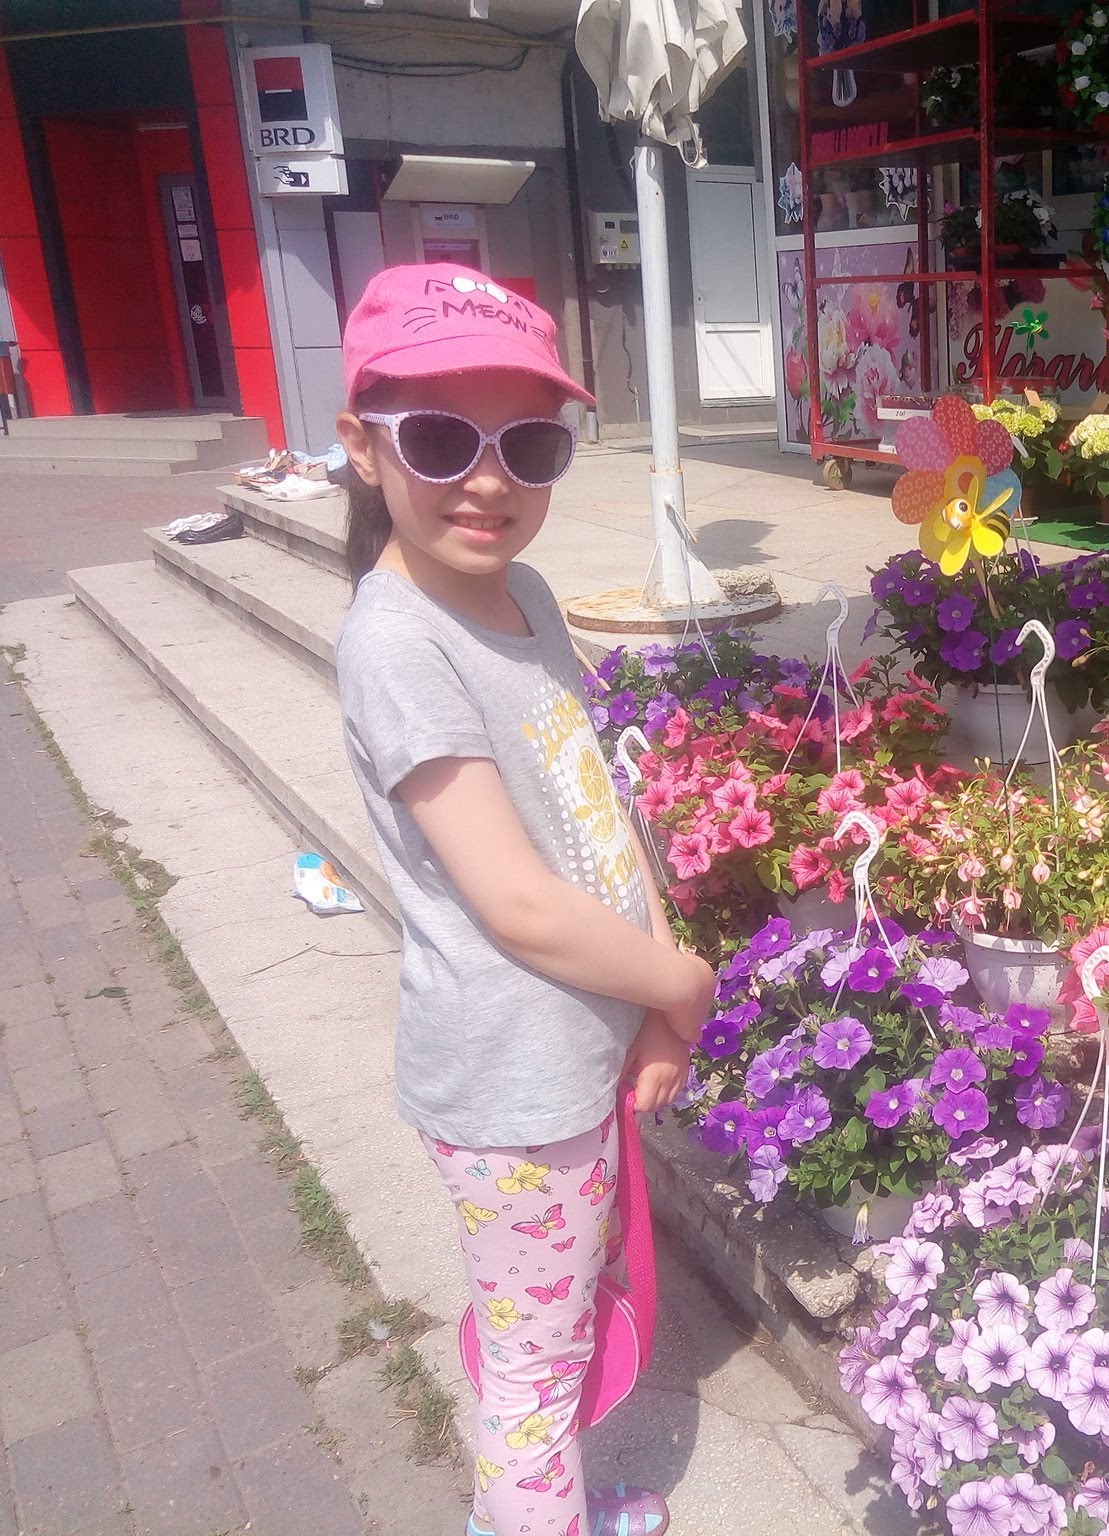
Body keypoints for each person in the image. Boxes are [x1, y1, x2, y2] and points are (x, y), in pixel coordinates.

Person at [332, 264, 713, 1536]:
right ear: (362, 447)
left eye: (529, 445)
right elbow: (518, 905)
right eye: (441, 440)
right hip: (511, 1083)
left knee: (553, 1327)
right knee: (534, 1373)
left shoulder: (526, 597)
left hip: (574, 1053)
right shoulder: (398, 644)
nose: (488, 481)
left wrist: (652, 1002)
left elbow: (597, 810)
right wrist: (686, 985)